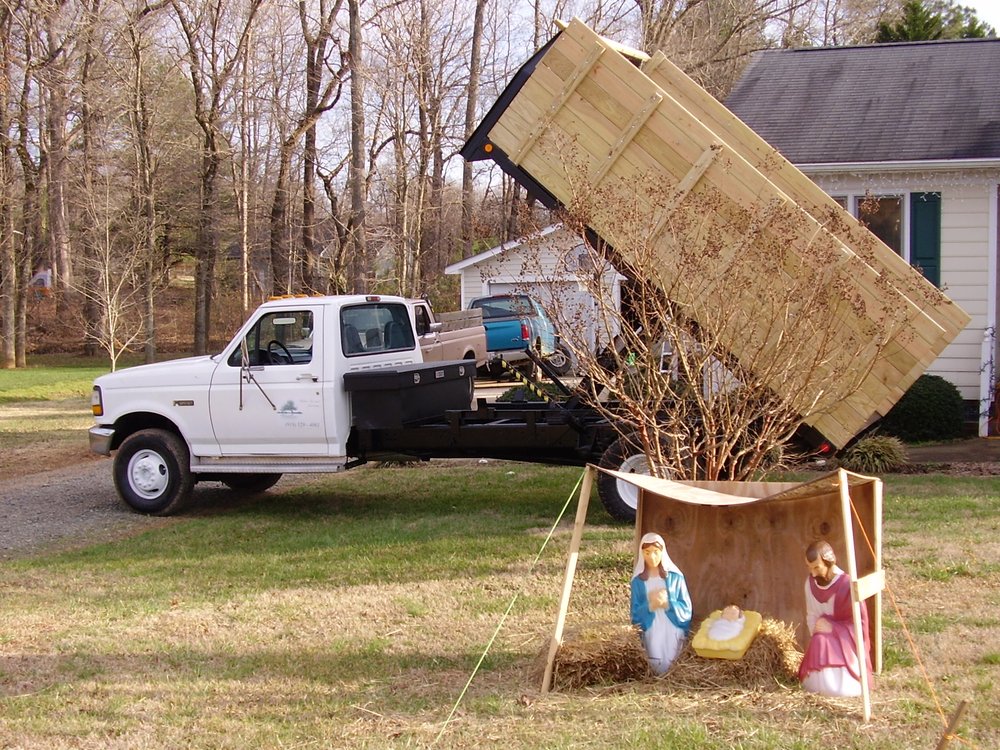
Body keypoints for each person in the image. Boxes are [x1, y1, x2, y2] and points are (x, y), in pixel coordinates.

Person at [798, 540, 874, 697]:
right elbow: (811, 614)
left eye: (817, 567)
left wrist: (834, 629)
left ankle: (840, 684)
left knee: (823, 639)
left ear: (828, 562)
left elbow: (859, 624)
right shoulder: (810, 584)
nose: (813, 574)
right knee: (820, 640)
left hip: (845, 645)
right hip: (821, 641)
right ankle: (817, 683)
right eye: (809, 568)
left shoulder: (846, 586)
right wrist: (818, 630)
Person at [630, 532, 692, 674]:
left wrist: (668, 603)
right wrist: (650, 606)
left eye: (656, 552)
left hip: (672, 623)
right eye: (647, 552)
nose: (652, 557)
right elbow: (635, 613)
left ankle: (674, 674)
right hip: (651, 625)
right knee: (655, 652)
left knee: (672, 653)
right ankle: (656, 676)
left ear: (662, 552)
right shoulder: (638, 581)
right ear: (642, 554)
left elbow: (686, 608)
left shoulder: (676, 577)